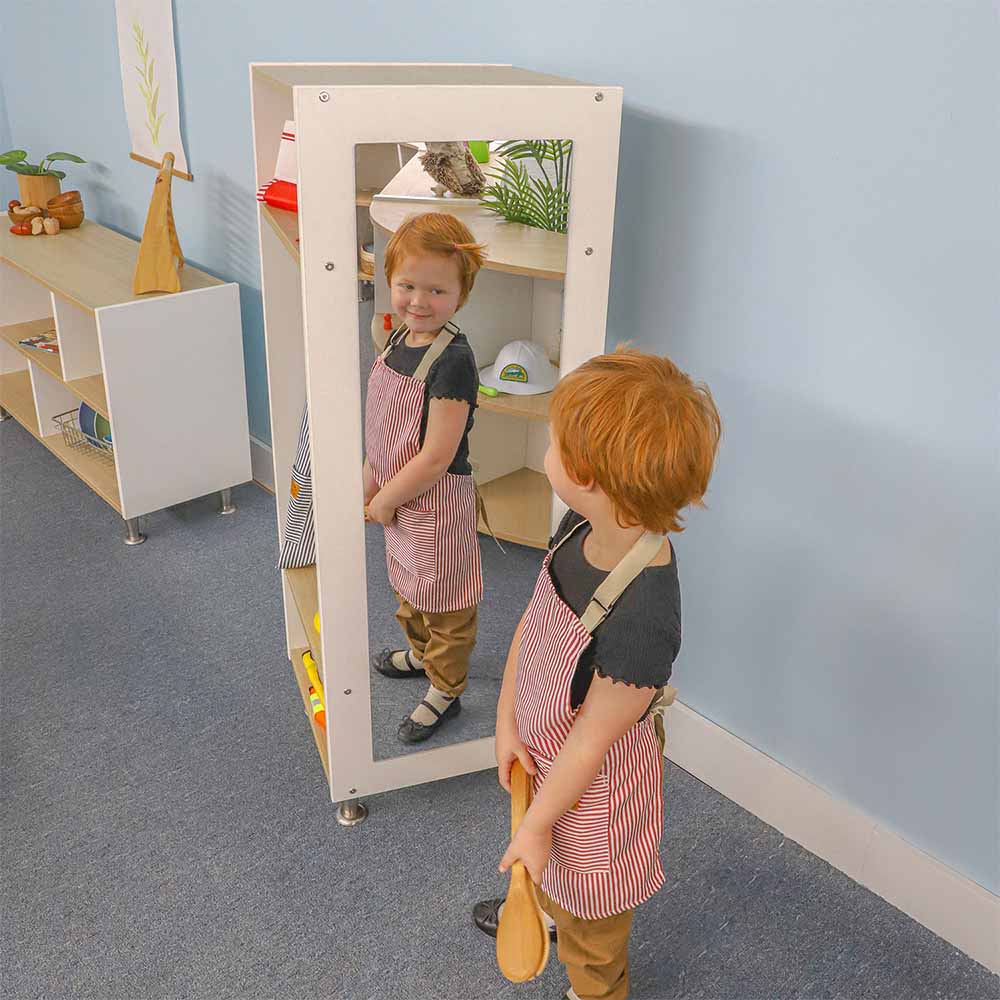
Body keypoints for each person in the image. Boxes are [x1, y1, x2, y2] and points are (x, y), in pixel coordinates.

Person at [473, 347, 721, 1000]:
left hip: (597, 795)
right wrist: (506, 723)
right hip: (547, 759)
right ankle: (549, 914)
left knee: (595, 925)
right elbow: (533, 624)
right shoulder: (578, 523)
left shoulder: (644, 617)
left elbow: (590, 743)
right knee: (555, 881)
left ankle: (591, 984)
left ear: (586, 474)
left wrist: (535, 824)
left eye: (554, 441)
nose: (548, 448)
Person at [364, 212, 487, 744]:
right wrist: (371, 477)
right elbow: (385, 425)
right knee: (409, 584)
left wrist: (386, 497)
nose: (418, 300)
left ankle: (446, 688)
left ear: (461, 294)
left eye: (436, 290)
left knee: (447, 599)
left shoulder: (453, 360)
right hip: (398, 494)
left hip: (434, 502)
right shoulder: (398, 339)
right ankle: (419, 654)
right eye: (406, 286)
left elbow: (436, 454)